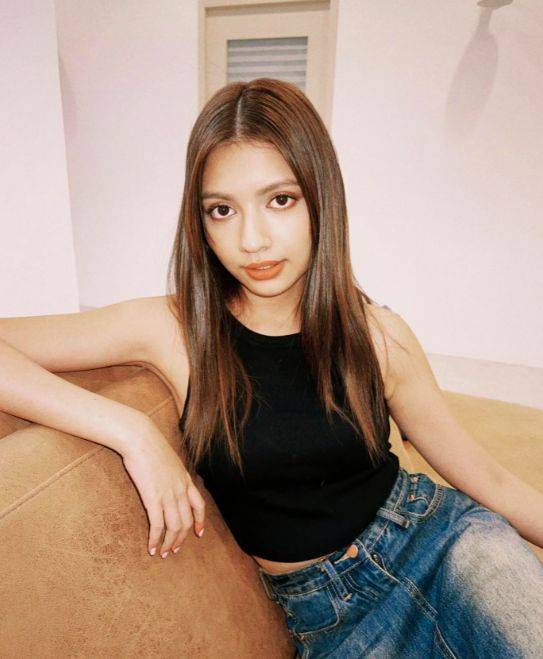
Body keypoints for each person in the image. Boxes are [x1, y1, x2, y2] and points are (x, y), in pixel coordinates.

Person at [1, 78, 542, 658]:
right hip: (332, 620)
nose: (252, 239)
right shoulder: (175, 328)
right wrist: (130, 431)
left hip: (446, 545)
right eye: (222, 210)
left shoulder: (379, 336)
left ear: (319, 198)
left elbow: (490, 480)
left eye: (280, 200)